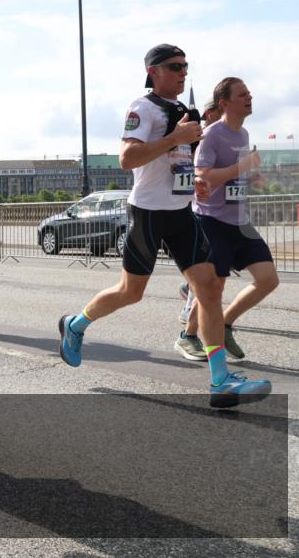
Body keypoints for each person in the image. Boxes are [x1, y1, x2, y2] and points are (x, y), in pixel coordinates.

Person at [57, 44, 271, 409]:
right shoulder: (143, 108)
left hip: (181, 213)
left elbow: (177, 160)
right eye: (174, 67)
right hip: (149, 213)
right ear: (154, 71)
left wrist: (195, 181)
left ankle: (220, 382)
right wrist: (175, 139)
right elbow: (128, 159)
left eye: (186, 66)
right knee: (131, 292)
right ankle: (75, 325)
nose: (182, 72)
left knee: (209, 289)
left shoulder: (179, 111)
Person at [174, 78, 279, 362]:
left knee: (268, 280)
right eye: (242, 94)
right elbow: (203, 174)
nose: (250, 96)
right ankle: (188, 336)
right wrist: (243, 166)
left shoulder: (242, 134)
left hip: (239, 222)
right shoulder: (211, 134)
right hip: (212, 221)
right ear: (224, 103)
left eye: (249, 92)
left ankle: (226, 322)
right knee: (214, 286)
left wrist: (251, 177)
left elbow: (233, 174)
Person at [177, 96, 224, 331]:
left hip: (217, 209)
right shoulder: (200, 137)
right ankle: (190, 309)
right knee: (207, 265)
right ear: (209, 113)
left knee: (214, 265)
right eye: (219, 110)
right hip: (196, 207)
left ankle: (190, 289)